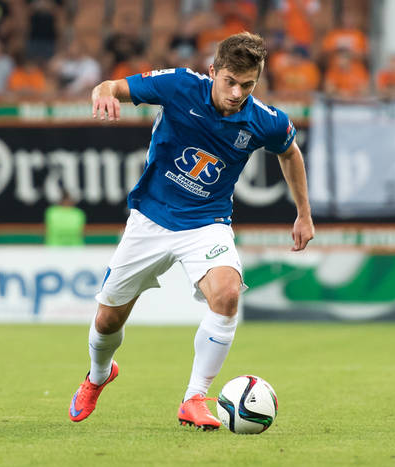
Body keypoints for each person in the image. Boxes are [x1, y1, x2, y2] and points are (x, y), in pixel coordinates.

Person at [68, 32, 314, 430]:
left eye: (247, 85)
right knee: (108, 321)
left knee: (228, 294)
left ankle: (194, 398)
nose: (237, 93)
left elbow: (289, 152)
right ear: (213, 71)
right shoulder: (180, 85)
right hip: (151, 218)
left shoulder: (264, 120)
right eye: (230, 81)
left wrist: (303, 213)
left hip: (206, 223)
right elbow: (112, 86)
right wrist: (104, 93)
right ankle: (98, 375)